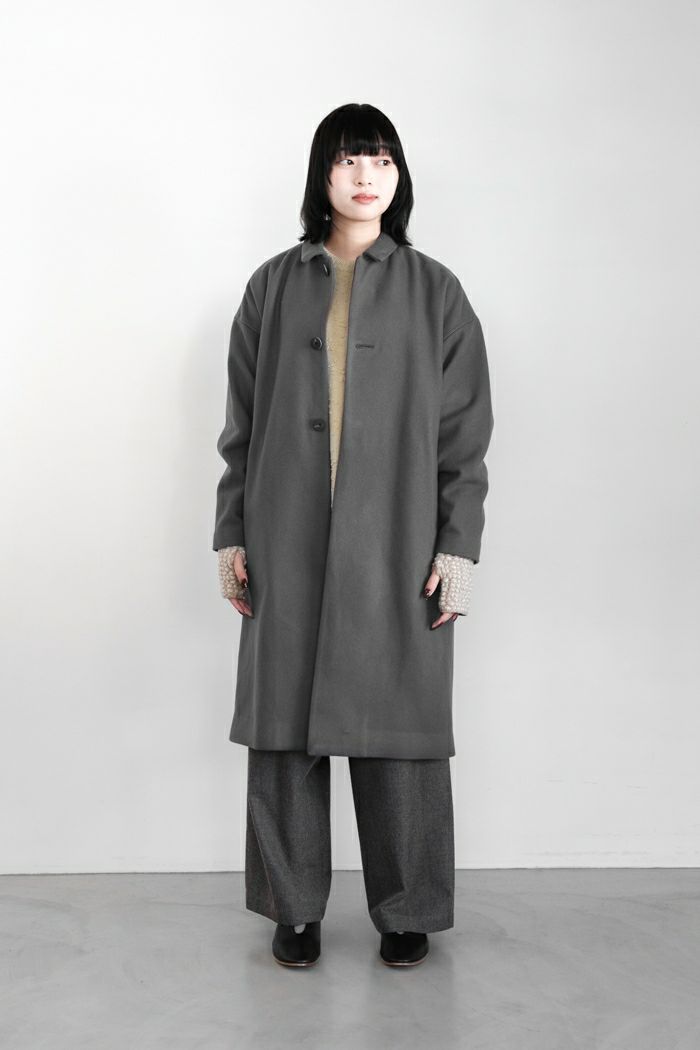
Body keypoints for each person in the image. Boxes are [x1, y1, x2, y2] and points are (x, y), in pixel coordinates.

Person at [212, 103, 494, 968]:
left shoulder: (435, 291)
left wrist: (457, 545)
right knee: (284, 732)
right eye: (347, 160)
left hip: (396, 543)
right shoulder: (272, 286)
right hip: (287, 537)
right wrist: (231, 532)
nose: (365, 176)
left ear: (399, 176)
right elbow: (241, 426)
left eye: (380, 159)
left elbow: (464, 436)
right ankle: (292, 907)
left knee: (399, 728)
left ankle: (407, 908)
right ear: (322, 175)